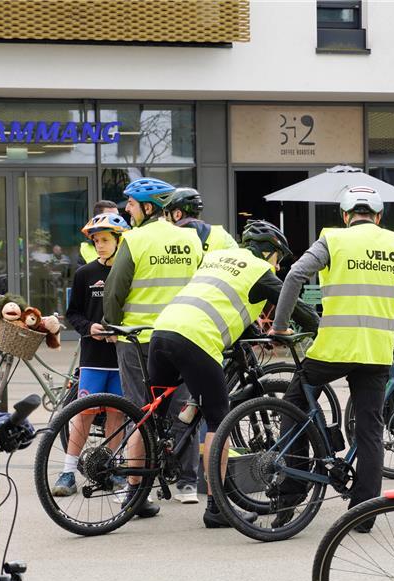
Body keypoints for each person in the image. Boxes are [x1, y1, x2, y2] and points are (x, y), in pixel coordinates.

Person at [270, 186, 394, 527]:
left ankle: (292, 490)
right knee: (369, 430)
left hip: (333, 348)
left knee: (294, 403)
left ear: (346, 215)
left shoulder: (333, 239)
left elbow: (294, 275)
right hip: (376, 352)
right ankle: (363, 516)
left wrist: (280, 326)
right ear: (379, 217)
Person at [148, 220, 320, 527]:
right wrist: (320, 329)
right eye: (278, 259)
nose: (278, 266)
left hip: (163, 330)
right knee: (218, 421)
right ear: (270, 253)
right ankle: (217, 508)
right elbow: (295, 307)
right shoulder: (259, 271)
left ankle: (134, 492)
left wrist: (249, 328)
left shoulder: (215, 257)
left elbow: (216, 297)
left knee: (151, 415)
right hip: (197, 338)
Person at [103, 177, 203, 518]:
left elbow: (115, 290)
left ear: (148, 208)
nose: (126, 209)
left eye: (130, 204)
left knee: (139, 412)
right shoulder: (191, 240)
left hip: (138, 339)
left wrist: (112, 325)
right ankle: (188, 484)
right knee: (184, 410)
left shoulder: (134, 240)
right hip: (181, 336)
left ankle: (135, 491)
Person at [160, 187, 238, 504]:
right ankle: (204, 489)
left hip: (164, 326)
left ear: (177, 213)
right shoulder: (221, 237)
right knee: (214, 412)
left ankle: (139, 485)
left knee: (156, 409)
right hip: (204, 329)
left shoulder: (164, 237)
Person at [52, 213, 131, 497]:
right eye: (96, 240)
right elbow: (73, 313)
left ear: (119, 241)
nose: (100, 245)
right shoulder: (85, 273)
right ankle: (67, 473)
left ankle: (113, 470)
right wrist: (90, 328)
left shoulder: (130, 271)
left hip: (122, 357)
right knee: (83, 414)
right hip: (93, 358)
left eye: (105, 239)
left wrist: (120, 332)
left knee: (117, 416)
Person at [162, 188, 238, 252]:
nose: (165, 218)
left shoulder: (168, 240)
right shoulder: (222, 236)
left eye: (166, 213)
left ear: (177, 215)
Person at [78, 200, 121, 268]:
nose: (116, 220)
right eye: (110, 217)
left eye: (117, 216)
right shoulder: (85, 248)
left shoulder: (127, 241)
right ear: (97, 219)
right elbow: (82, 274)